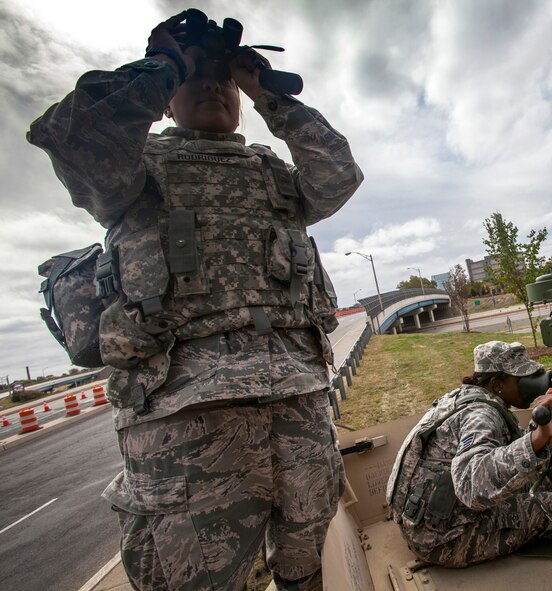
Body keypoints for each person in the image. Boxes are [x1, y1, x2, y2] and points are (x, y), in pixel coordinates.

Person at [27, 12, 362, 591]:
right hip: (184, 421)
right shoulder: (134, 171)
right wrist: (163, 63)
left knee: (305, 571)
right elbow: (75, 136)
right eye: (195, 78)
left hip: (299, 405)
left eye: (224, 79)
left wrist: (265, 92)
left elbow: (338, 175)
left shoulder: (273, 173)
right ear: (165, 101)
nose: (213, 87)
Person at [386, 341, 552, 568]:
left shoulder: (465, 398)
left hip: (425, 522)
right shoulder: (482, 415)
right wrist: (536, 441)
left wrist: (539, 433)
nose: (529, 384)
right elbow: (470, 483)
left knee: (541, 482)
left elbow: (506, 451)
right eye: (521, 379)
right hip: (443, 540)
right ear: (497, 384)